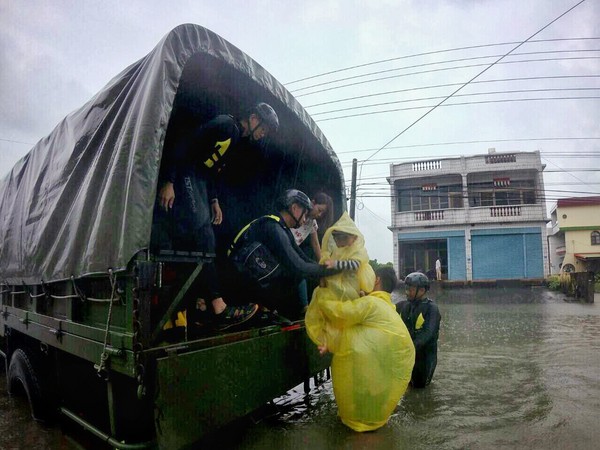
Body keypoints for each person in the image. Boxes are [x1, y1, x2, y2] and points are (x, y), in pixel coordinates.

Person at [151, 102, 280, 329]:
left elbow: (211, 172)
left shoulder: (237, 140)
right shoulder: (226, 126)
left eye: (266, 131)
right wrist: (169, 181)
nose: (263, 133)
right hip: (186, 174)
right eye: (263, 127)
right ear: (252, 117)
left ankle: (200, 305)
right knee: (203, 234)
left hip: (199, 180)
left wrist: (214, 201)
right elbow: (185, 144)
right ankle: (218, 307)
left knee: (208, 238)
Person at [313, 267, 415, 432]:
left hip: (369, 372)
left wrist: (324, 294)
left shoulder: (371, 304)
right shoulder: (388, 306)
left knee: (361, 431)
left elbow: (338, 313)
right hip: (380, 376)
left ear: (376, 280)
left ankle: (361, 426)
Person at [224, 189, 344, 320]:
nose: (304, 220)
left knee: (294, 276)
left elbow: (304, 259)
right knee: (294, 273)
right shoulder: (274, 228)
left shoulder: (283, 229)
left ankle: (264, 307)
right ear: (295, 208)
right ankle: (245, 304)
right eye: (304, 214)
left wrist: (323, 271)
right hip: (234, 278)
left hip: (247, 274)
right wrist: (338, 269)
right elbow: (299, 266)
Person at [305, 211, 375, 350]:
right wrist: (323, 277)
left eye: (342, 238)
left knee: (340, 315)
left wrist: (336, 265)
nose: (339, 242)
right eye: (336, 238)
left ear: (353, 237)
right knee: (324, 307)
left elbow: (354, 265)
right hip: (339, 289)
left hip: (350, 289)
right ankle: (326, 341)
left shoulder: (358, 251)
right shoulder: (338, 251)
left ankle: (330, 342)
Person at [396, 271, 441, 388]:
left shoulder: (432, 309)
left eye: (410, 289)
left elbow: (428, 333)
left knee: (420, 389)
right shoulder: (402, 306)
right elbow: (384, 312)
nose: (407, 292)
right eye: (406, 288)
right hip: (408, 355)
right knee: (406, 386)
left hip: (425, 358)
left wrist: (408, 348)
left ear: (421, 290)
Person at [291, 192, 333, 310]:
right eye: (319, 210)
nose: (319, 215)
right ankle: (305, 308)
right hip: (283, 247)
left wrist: (321, 265)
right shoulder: (298, 212)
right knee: (299, 272)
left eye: (322, 213)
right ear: (312, 202)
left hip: (292, 251)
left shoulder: (312, 223)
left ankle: (306, 307)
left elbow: (315, 243)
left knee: (301, 273)